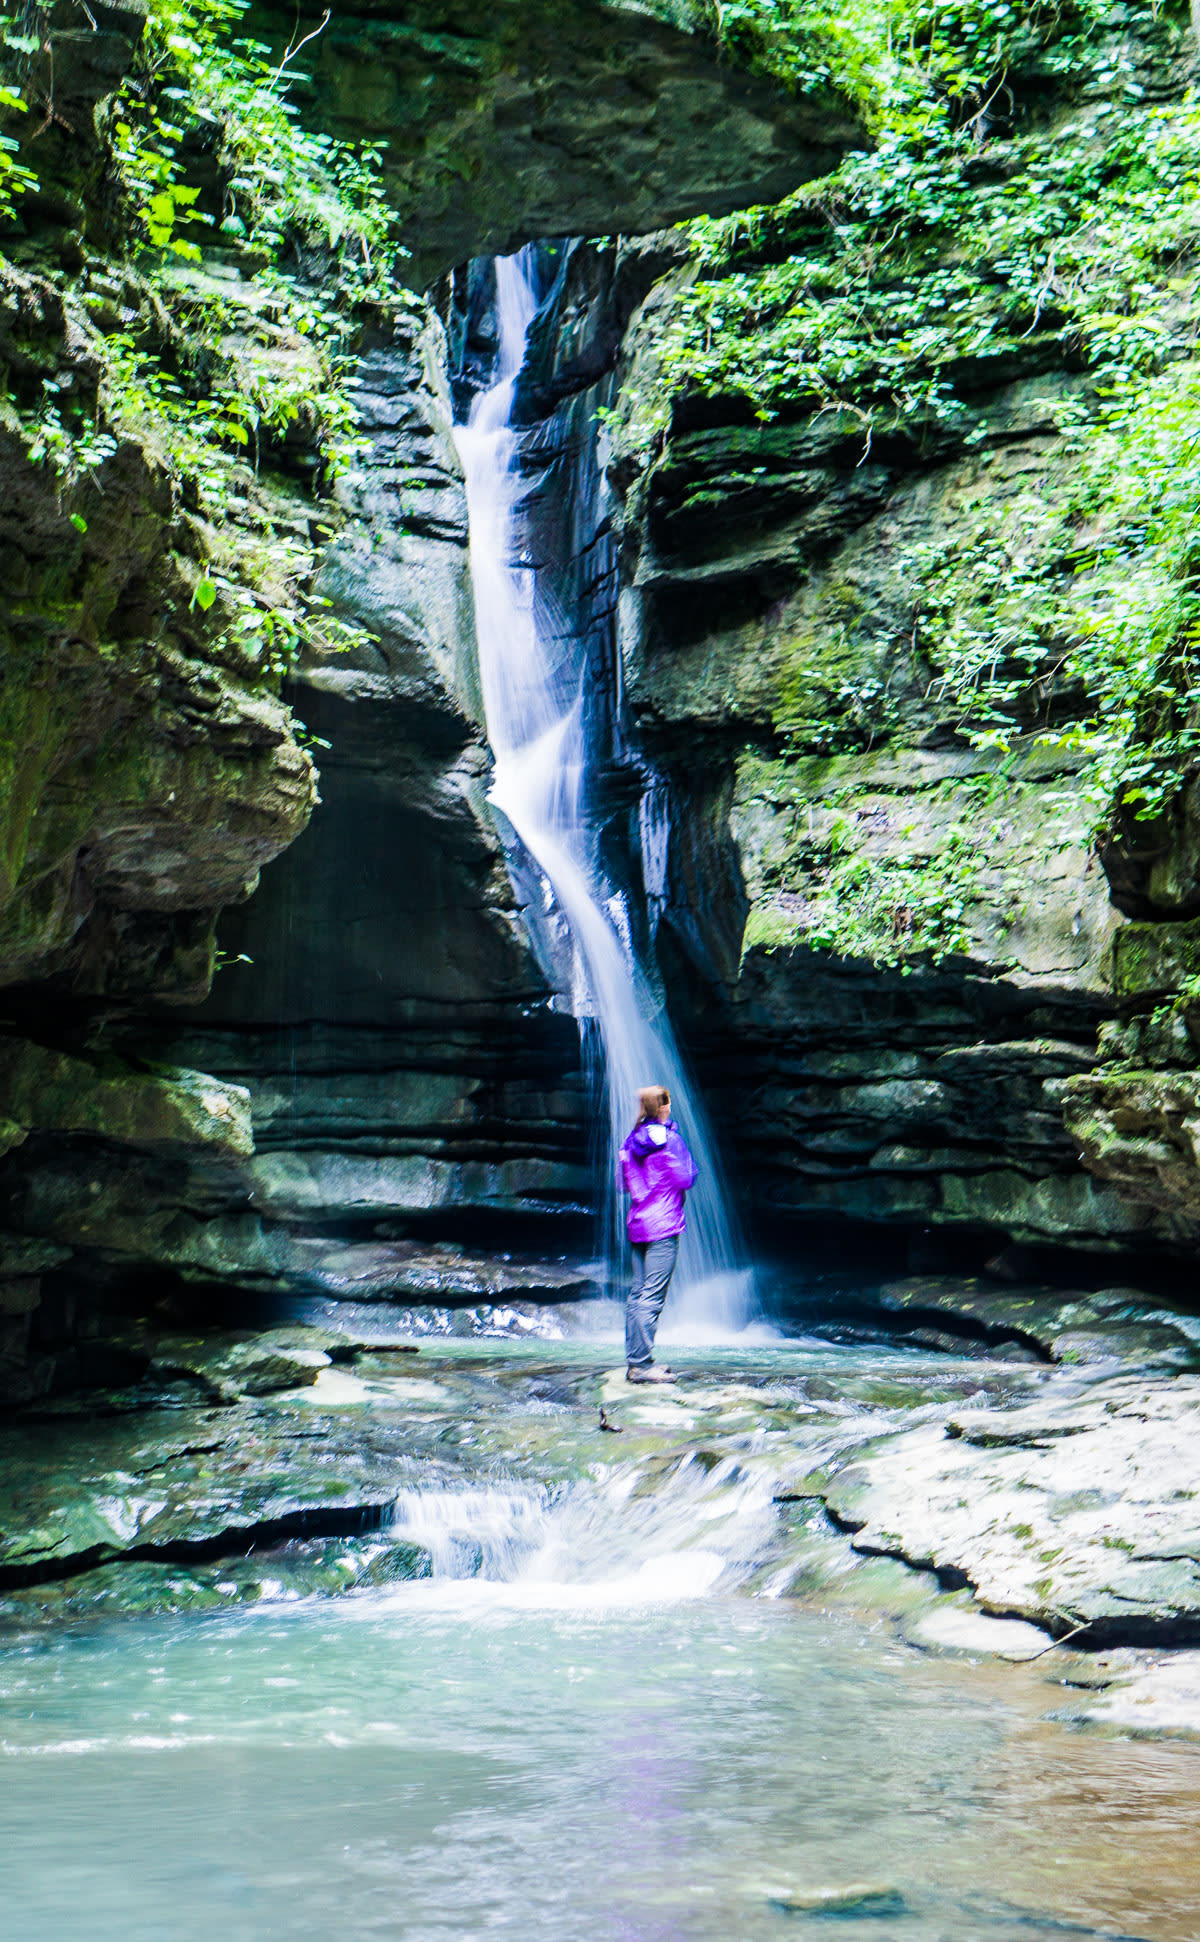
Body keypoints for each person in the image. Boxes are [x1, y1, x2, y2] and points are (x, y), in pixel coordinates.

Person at [620, 1083, 698, 1384]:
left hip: (638, 1224)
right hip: (663, 1224)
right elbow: (686, 1177)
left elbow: (622, 1183)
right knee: (652, 1295)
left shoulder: (630, 1141)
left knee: (638, 1293)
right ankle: (641, 1366)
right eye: (668, 1103)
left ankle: (636, 1361)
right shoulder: (671, 1140)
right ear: (664, 1107)